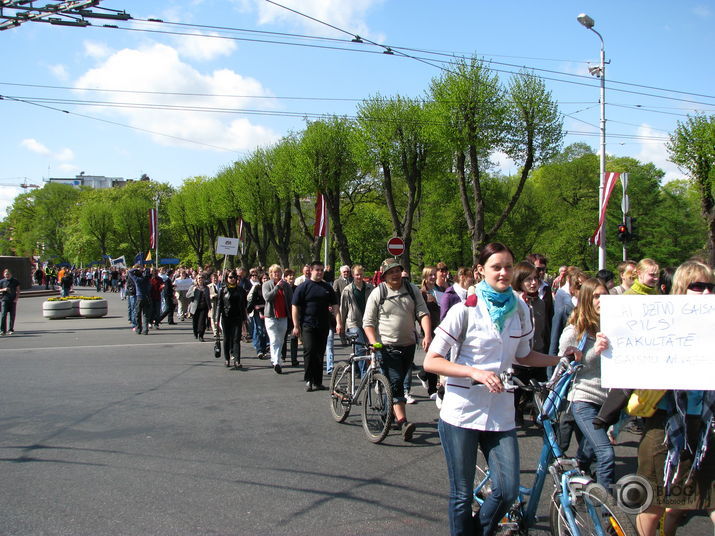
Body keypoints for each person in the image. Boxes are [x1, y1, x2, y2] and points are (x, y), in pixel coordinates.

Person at [422, 243, 575, 536]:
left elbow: (523, 355)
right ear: (481, 270)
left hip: (500, 412)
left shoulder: (519, 309)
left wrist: (560, 358)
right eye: (496, 267)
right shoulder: (463, 310)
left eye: (507, 266)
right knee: (462, 496)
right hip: (461, 412)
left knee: (506, 490)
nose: (503, 272)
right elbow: (432, 361)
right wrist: (474, 372)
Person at [632, 260, 715, 536]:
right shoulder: (659, 320)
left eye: (710, 286)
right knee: (654, 501)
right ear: (682, 288)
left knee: (706, 497)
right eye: (698, 286)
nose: (705, 292)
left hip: (704, 426)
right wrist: (611, 345)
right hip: (665, 423)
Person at [363, 258, 432, 441]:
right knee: (396, 383)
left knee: (398, 381)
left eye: (397, 270)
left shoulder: (411, 289)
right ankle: (403, 422)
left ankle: (388, 414)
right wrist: (373, 341)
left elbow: (422, 312)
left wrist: (427, 334)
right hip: (387, 347)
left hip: (409, 345)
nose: (395, 274)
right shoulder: (379, 292)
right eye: (391, 272)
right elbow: (368, 322)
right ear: (384, 275)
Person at [559, 277, 614, 489]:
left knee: (587, 453)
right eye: (596, 296)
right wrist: (594, 352)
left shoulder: (614, 326)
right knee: (605, 454)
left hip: (609, 401)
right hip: (584, 397)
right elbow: (564, 363)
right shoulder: (575, 330)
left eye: (604, 296)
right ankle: (608, 513)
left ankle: (576, 480)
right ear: (586, 300)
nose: (601, 300)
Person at [291, 260, 338, 392]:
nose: (319, 272)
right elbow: (295, 306)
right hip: (307, 324)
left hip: (323, 325)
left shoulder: (327, 287)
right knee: (310, 351)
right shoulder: (303, 287)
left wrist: (338, 321)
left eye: (322, 270)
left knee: (319, 353)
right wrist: (296, 325)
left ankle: (318, 381)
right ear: (311, 271)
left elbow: (335, 305)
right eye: (317, 270)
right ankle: (308, 380)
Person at [512, 261, 549, 425]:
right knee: (516, 393)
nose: (533, 283)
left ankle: (538, 416)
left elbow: (545, 329)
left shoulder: (540, 302)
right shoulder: (513, 301)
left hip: (537, 353)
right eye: (528, 280)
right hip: (517, 358)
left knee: (539, 391)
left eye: (535, 279)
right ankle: (516, 415)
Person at [336, 264, 374, 377]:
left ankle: (357, 368)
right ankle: (364, 374)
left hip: (368, 322)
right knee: (361, 347)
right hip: (353, 322)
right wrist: (341, 325)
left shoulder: (370, 288)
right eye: (357, 275)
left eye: (361, 274)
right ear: (353, 275)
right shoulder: (347, 290)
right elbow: (343, 309)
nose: (359, 277)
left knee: (369, 346)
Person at [263, 265, 293, 374]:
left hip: (283, 316)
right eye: (274, 272)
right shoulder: (266, 285)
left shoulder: (286, 286)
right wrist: (276, 288)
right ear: (271, 274)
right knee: (274, 339)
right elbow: (267, 298)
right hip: (271, 317)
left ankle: (277, 359)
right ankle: (276, 362)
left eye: (279, 272)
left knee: (281, 340)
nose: (277, 274)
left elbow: (291, 300)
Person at [217, 271, 248, 368]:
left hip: (237, 317)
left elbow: (243, 305)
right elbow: (219, 305)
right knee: (226, 338)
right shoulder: (222, 290)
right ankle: (227, 359)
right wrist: (216, 319)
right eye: (230, 277)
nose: (232, 279)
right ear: (227, 278)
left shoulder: (240, 290)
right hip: (226, 317)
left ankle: (237, 360)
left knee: (236, 339)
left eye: (234, 277)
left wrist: (244, 319)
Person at [127, 266, 151, 335]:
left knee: (138, 314)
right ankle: (145, 329)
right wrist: (145, 269)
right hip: (147, 297)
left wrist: (136, 269)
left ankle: (138, 328)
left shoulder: (137, 280)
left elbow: (129, 272)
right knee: (145, 314)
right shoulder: (147, 279)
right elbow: (148, 272)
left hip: (139, 297)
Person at [187, 273, 211, 341]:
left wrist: (209, 307)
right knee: (195, 322)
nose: (200, 279)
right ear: (196, 280)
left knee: (202, 322)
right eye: (199, 278)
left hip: (204, 307)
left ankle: (201, 335)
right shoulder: (193, 287)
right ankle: (195, 333)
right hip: (195, 307)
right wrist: (193, 291)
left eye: (201, 278)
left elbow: (208, 298)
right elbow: (187, 295)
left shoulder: (206, 288)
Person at [333, 265, 352, 346]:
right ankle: (343, 338)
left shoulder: (352, 280)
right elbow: (334, 293)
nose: (346, 273)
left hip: (351, 305)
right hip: (341, 305)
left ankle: (351, 338)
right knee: (342, 321)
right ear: (341, 272)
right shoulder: (337, 282)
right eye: (344, 272)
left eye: (347, 272)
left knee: (350, 321)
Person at [0, 269, 21, 335]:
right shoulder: (1, 281)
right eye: (6, 274)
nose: (7, 275)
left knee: (12, 315)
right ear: (4, 275)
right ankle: (2, 330)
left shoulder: (15, 281)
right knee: (3, 315)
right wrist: (3, 289)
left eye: (8, 274)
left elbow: (18, 290)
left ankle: (11, 329)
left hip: (12, 300)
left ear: (11, 274)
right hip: (4, 300)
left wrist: (16, 299)